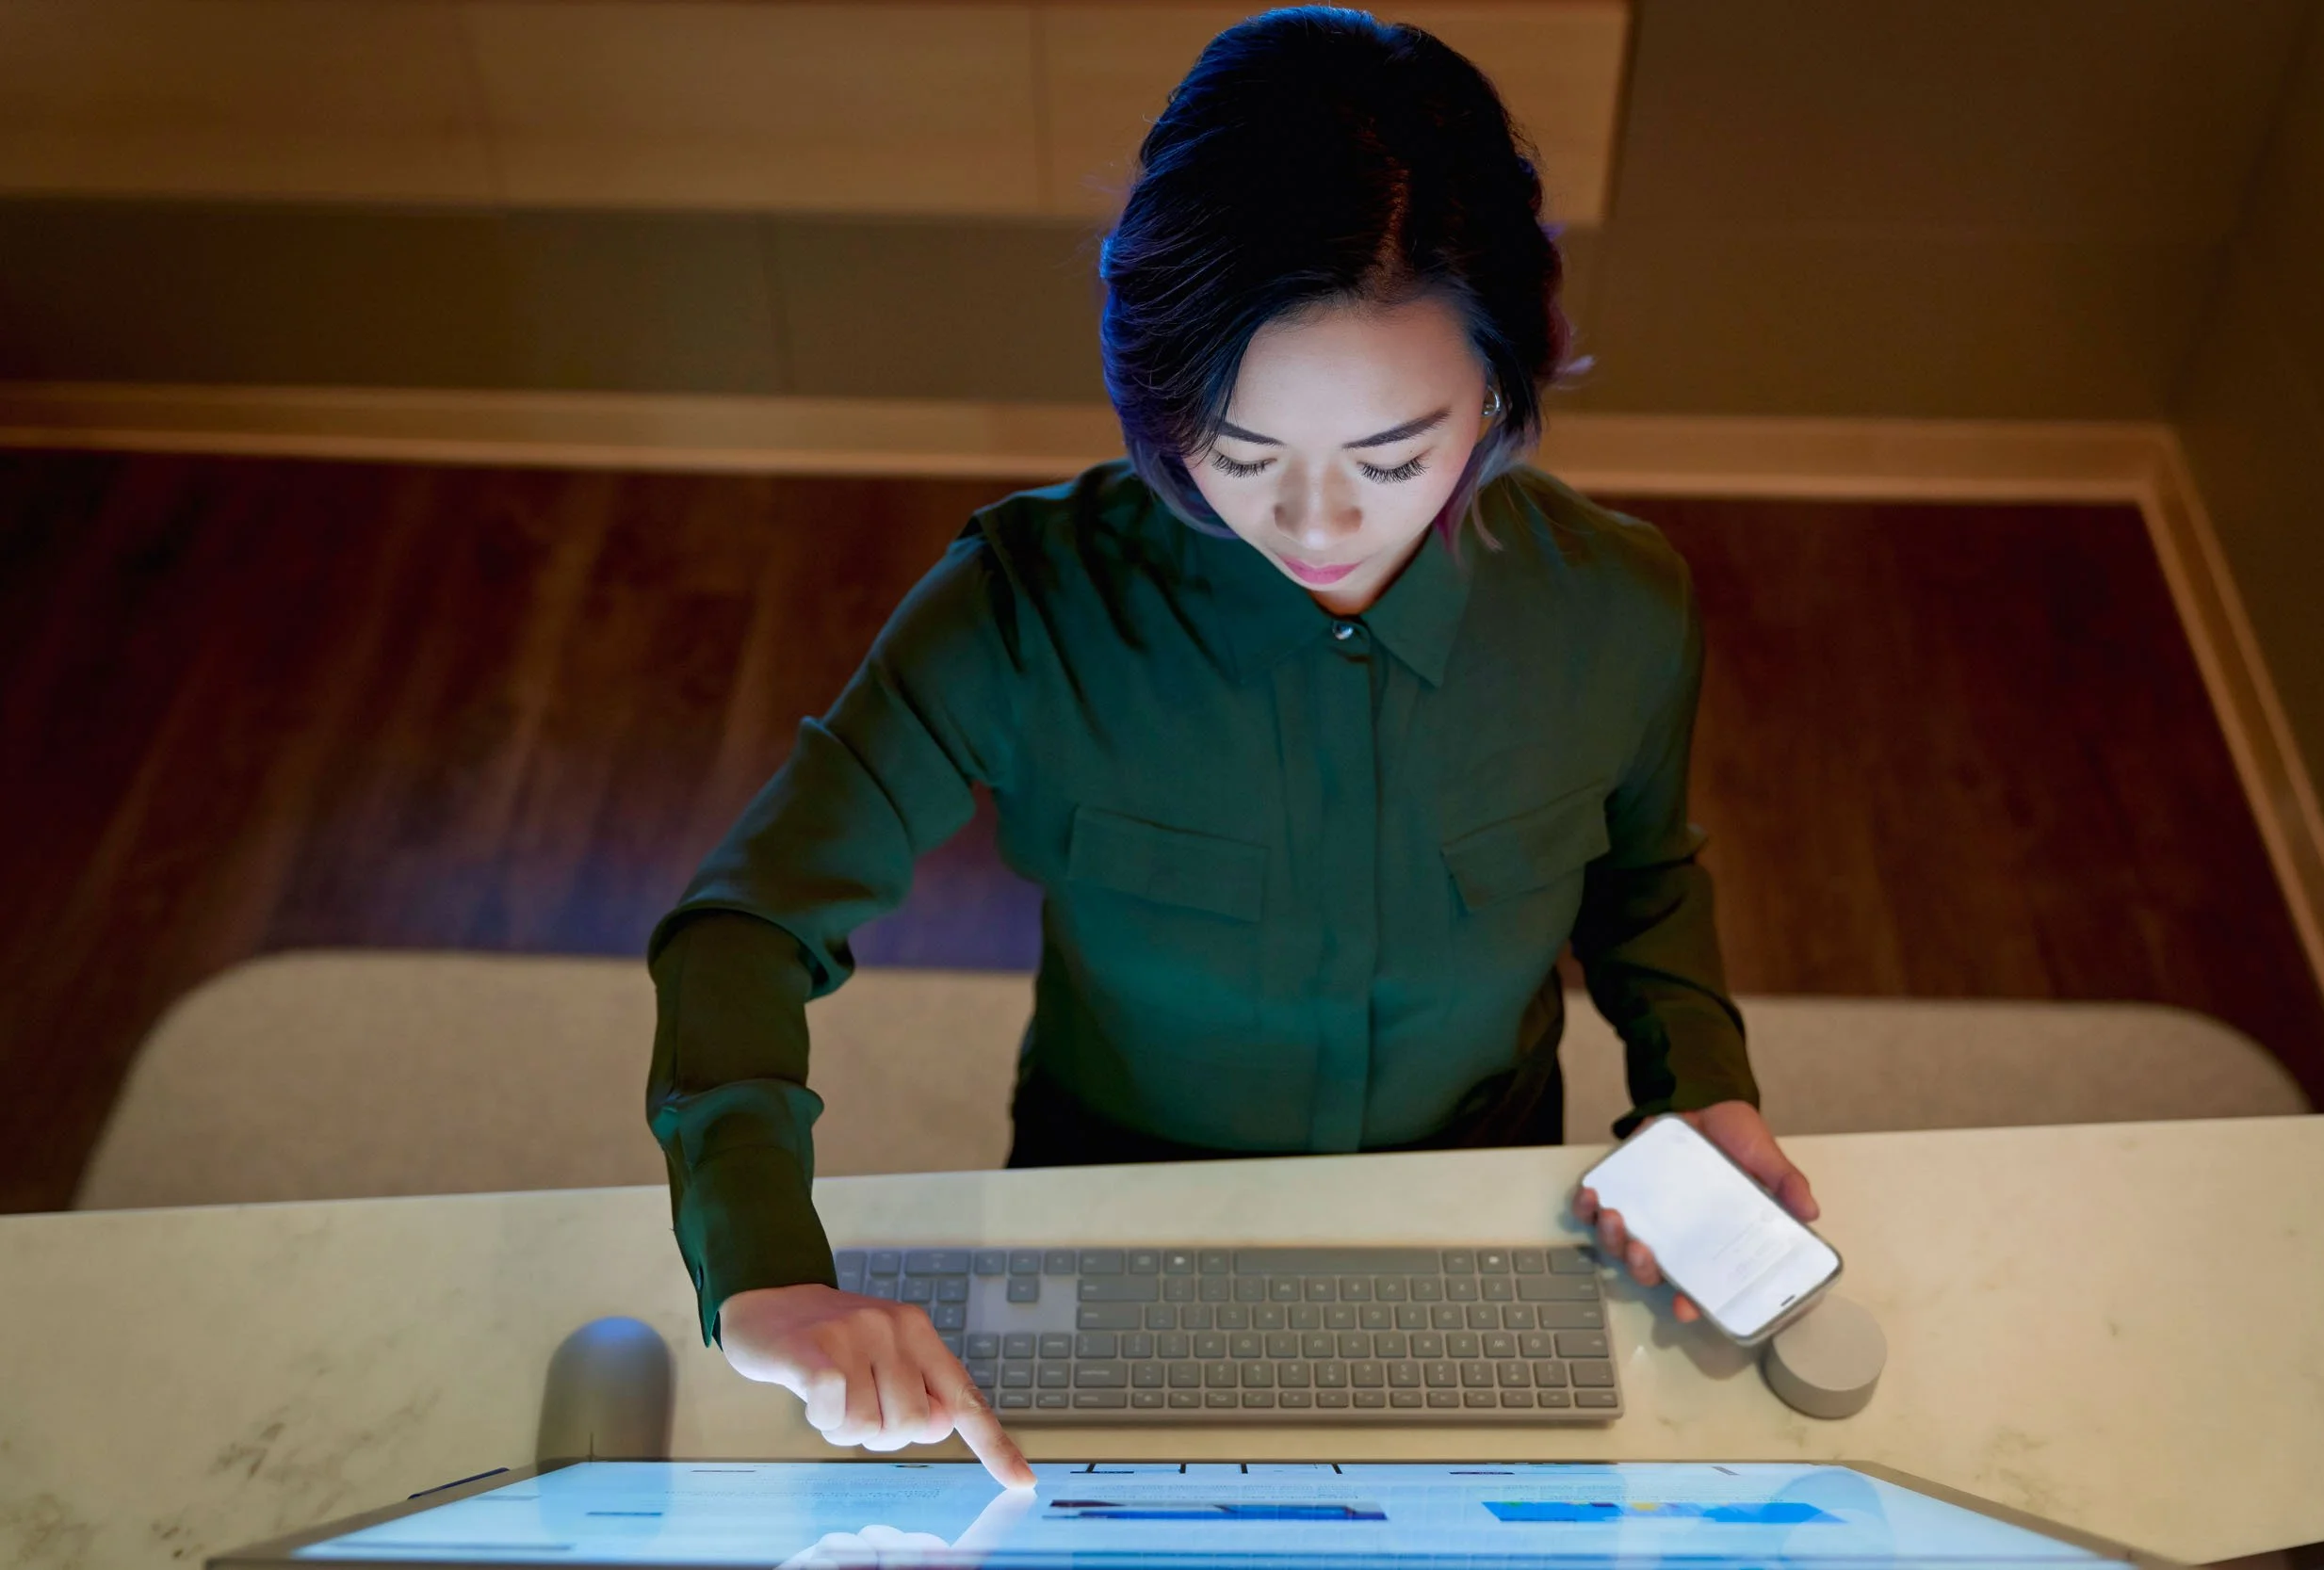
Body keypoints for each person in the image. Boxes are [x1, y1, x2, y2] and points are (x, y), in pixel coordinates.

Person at [642, 5, 1818, 1489]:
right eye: (1241, 455)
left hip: (1478, 1203)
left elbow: (1646, 882)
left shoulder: (1621, 610)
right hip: (1111, 1206)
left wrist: (1697, 1085)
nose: (1316, 526)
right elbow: (743, 923)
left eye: (1393, 457)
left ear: (1505, 396)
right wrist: (767, 1270)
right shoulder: (1023, 605)